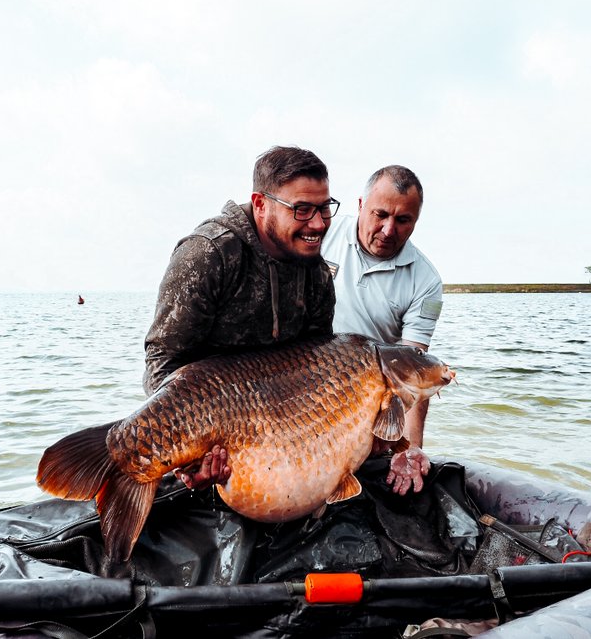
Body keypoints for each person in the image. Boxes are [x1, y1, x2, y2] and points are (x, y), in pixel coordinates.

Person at [142, 145, 338, 488]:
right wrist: (190, 453)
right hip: (208, 422)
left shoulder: (317, 274)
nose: (319, 224)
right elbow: (163, 362)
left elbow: (316, 365)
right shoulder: (208, 254)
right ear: (261, 205)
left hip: (278, 426)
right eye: (303, 209)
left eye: (325, 208)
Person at [321, 165, 443, 496]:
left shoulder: (426, 281)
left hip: (365, 400)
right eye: (381, 214)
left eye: (403, 220)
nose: (389, 230)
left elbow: (413, 369)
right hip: (303, 379)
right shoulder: (322, 235)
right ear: (360, 205)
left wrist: (410, 446)